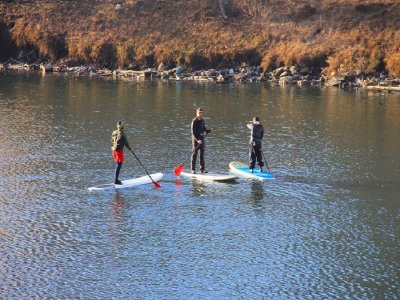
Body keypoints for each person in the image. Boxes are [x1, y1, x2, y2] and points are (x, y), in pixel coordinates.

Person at [191, 107, 212, 174]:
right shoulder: (194, 121)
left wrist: (209, 131)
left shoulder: (202, 121)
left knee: (202, 155)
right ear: (197, 113)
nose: (200, 114)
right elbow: (193, 132)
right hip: (196, 141)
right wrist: (197, 140)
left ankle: (202, 169)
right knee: (194, 155)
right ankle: (193, 169)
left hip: (202, 140)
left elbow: (204, 130)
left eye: (201, 113)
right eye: (199, 112)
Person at [111, 120, 132, 184]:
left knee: (117, 164)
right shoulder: (122, 134)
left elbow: (112, 140)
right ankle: (116, 180)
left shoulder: (114, 132)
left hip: (114, 150)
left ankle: (116, 179)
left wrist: (114, 147)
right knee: (119, 165)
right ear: (122, 126)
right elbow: (126, 143)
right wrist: (130, 149)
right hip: (119, 151)